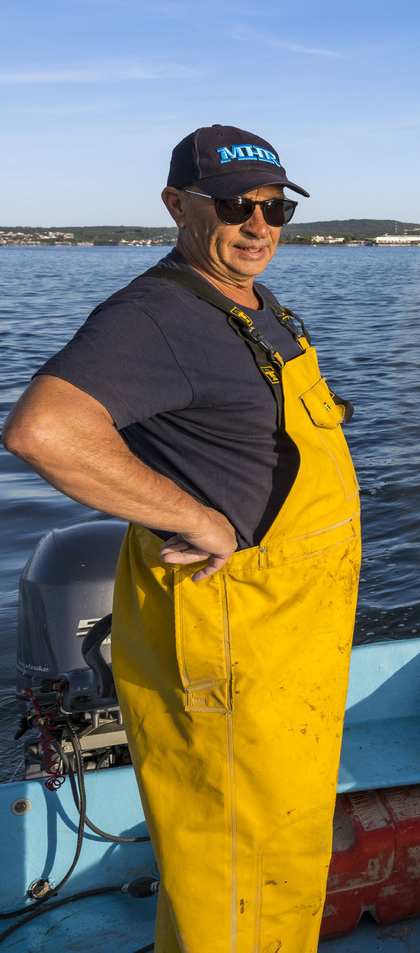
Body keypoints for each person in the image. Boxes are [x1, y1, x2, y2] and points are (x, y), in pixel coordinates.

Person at [2, 125, 360, 952]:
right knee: (235, 860)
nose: (259, 225)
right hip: (231, 638)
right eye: (236, 205)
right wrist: (191, 515)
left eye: (277, 208)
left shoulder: (251, 303)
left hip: (289, 637)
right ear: (177, 205)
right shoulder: (155, 314)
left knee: (279, 848)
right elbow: (42, 429)